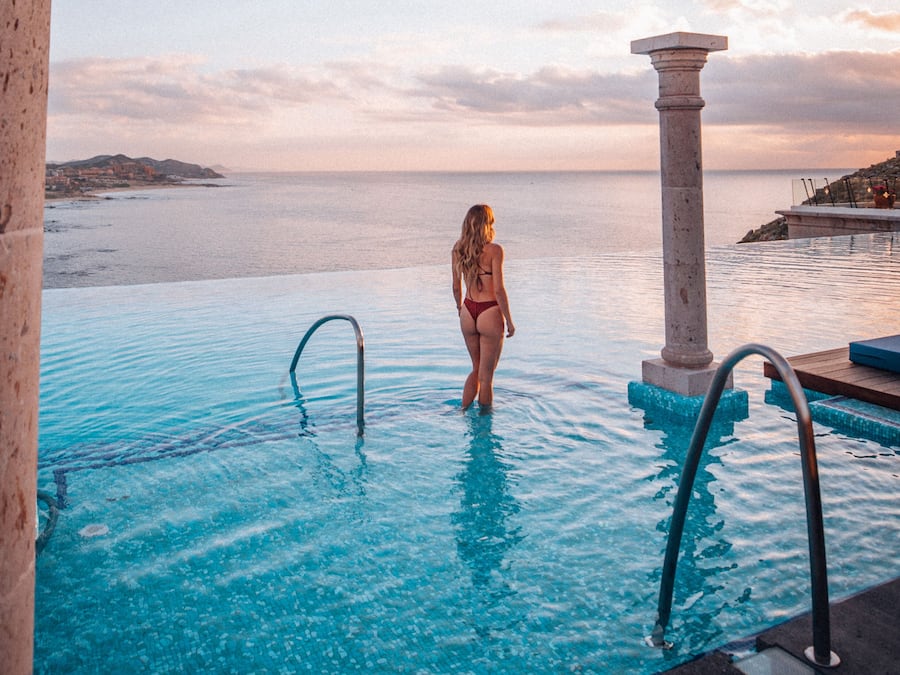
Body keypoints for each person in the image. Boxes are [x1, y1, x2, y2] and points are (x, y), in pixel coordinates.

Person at [451, 204, 515, 411]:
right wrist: (510, 321)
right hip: (489, 311)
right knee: (486, 377)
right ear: (486, 225)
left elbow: (455, 286)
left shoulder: (457, 249)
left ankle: (462, 411)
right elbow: (498, 290)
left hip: (468, 311)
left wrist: (460, 307)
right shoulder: (495, 251)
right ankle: (484, 426)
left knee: (476, 368)